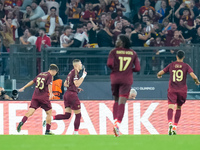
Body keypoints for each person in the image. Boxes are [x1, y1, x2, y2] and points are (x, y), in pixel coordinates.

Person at [157, 50, 200, 135]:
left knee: (170, 107)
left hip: (172, 89)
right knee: (179, 108)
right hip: (182, 90)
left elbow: (161, 72)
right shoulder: (186, 66)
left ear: (176, 56)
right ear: (183, 57)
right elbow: (193, 75)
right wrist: (197, 81)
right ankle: (174, 127)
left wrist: (159, 75)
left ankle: (169, 123)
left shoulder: (171, 65)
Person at [107, 34, 140, 137]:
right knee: (122, 102)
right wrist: (129, 69)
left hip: (115, 78)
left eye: (118, 39)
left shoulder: (113, 52)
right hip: (126, 79)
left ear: (122, 42)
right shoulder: (133, 53)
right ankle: (117, 123)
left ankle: (114, 121)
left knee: (116, 100)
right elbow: (138, 69)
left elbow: (109, 64)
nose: (116, 41)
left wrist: (116, 68)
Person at [17, 64, 59, 135]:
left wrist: (24, 87)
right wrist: (51, 93)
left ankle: (21, 122)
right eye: (55, 73)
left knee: (30, 112)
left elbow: (32, 82)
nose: (55, 74)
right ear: (53, 71)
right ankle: (47, 131)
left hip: (35, 97)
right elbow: (49, 85)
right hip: (43, 97)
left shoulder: (41, 74)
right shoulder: (49, 76)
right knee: (49, 113)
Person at [49, 59, 87, 135]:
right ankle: (76, 132)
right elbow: (76, 84)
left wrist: (75, 88)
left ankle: (51, 118)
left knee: (67, 115)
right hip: (72, 95)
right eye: (80, 63)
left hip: (67, 95)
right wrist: (83, 76)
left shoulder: (71, 72)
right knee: (78, 115)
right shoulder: (76, 72)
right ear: (76, 65)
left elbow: (65, 84)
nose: (81, 65)